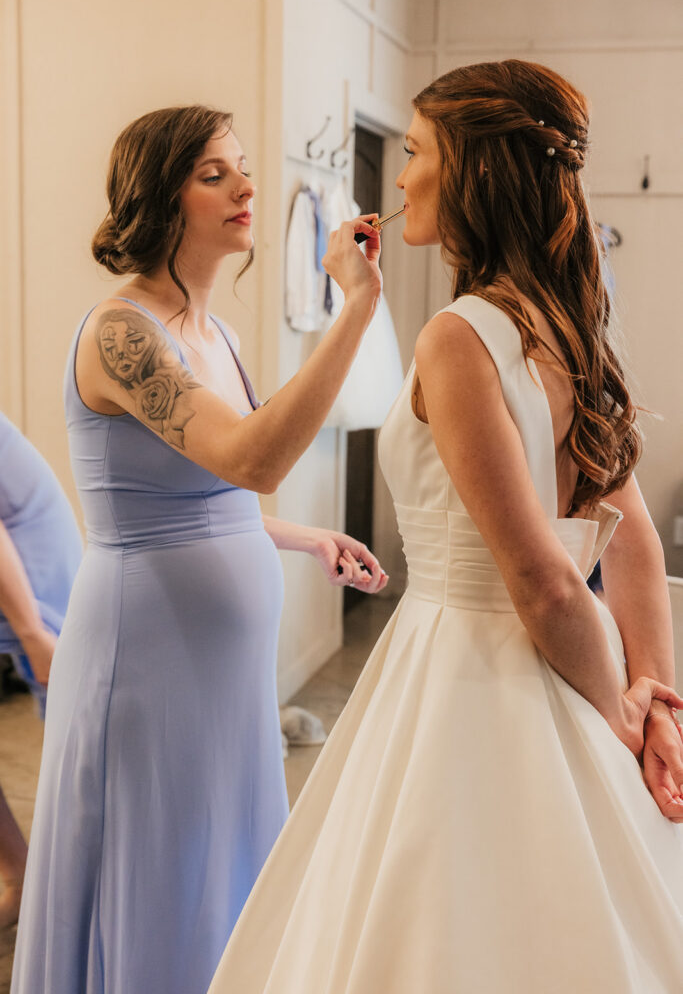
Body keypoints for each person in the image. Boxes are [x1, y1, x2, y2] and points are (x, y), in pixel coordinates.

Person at [207, 61, 683, 994]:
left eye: (416, 152)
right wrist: (655, 691)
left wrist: (621, 720)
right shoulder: (570, 321)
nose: (401, 177)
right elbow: (630, 537)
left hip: (467, 666)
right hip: (549, 659)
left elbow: (545, 581)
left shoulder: (458, 337)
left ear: (470, 168)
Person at [11, 104, 388, 994]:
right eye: (214, 174)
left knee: (221, 871)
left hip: (222, 673)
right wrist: (355, 311)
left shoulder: (214, 333)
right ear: (158, 198)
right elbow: (253, 460)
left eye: (244, 169)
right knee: (159, 874)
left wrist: (308, 539)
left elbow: (210, 504)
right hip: (146, 661)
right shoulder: (121, 330)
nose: (247, 188)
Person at [0, 412, 82, 931]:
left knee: (78, 746)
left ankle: (81, 893)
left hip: (30, 564)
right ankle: (20, 873)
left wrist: (32, 632)